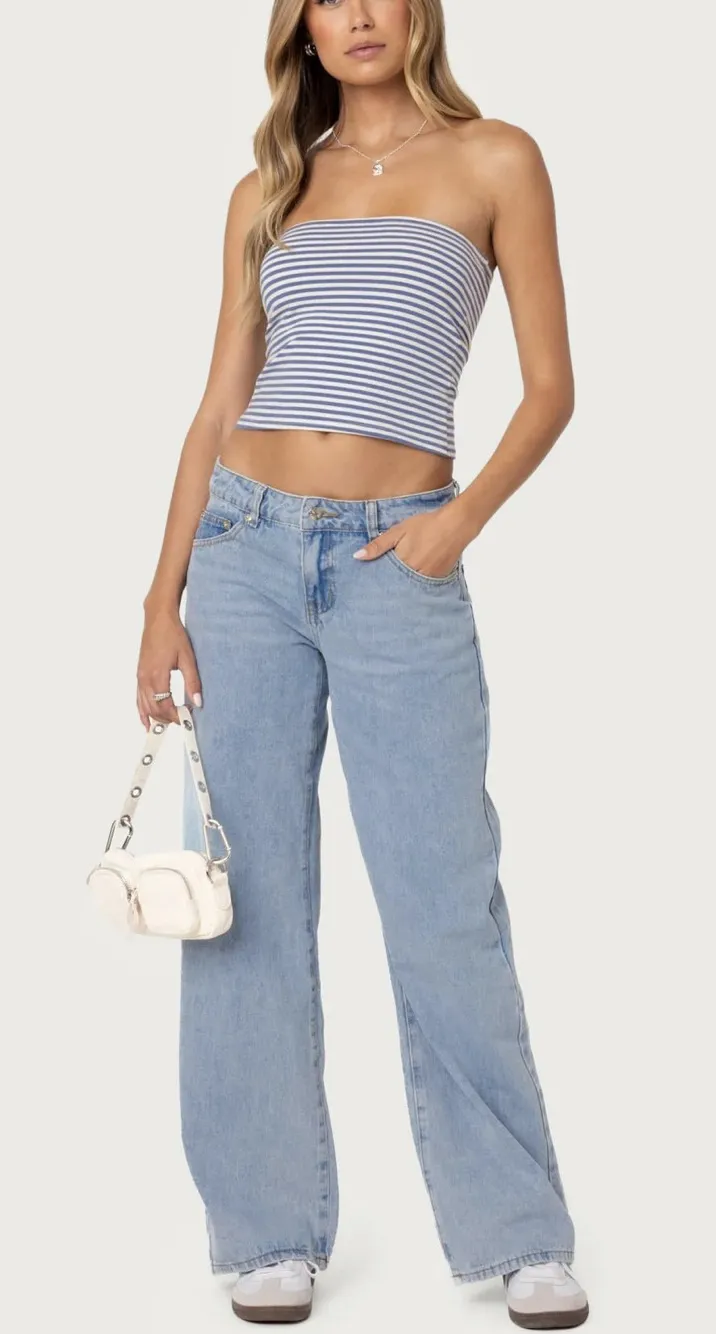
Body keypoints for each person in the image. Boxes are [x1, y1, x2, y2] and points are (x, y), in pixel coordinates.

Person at [136, 0, 589, 1327]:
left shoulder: (496, 158)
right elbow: (218, 405)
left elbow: (551, 387)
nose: (360, 14)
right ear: (303, 26)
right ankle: (267, 1229)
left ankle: (517, 1232)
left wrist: (459, 520)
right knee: (249, 903)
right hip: (244, 555)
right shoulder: (268, 188)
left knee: (445, 897)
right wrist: (161, 595)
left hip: (402, 559)